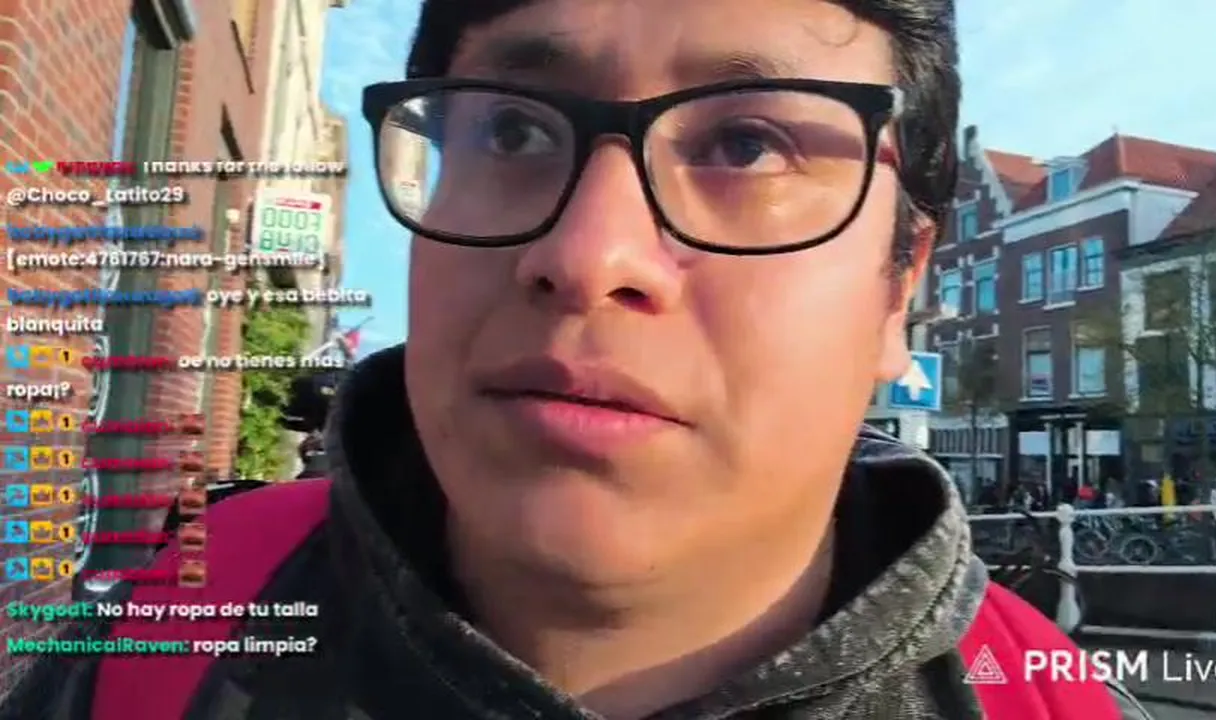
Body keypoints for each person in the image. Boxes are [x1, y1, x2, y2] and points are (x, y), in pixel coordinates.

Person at [1, 1, 1149, 717]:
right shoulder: (168, 634)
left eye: (747, 144)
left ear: (901, 284)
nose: (588, 254)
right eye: (511, 128)